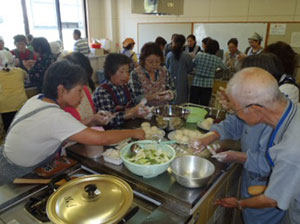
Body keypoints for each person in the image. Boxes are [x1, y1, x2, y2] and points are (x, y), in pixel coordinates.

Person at [0, 60, 145, 185]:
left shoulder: (39, 99)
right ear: (61, 90)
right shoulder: (54, 116)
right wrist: (135, 132)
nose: (82, 96)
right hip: (16, 173)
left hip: (14, 161)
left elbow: (64, 130)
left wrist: (92, 119)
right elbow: (101, 138)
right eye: (79, 91)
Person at [192, 54, 292, 224]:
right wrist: (210, 136)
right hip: (250, 179)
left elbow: (273, 176)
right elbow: (234, 122)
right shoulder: (262, 106)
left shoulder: (283, 129)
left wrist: (237, 157)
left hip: (265, 189)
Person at [93, 53, 151, 128]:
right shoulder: (102, 92)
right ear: (110, 72)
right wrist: (132, 113)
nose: (126, 75)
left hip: (129, 125)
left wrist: (142, 107)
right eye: (121, 72)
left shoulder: (125, 86)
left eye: (127, 71)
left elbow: (133, 102)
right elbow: (107, 120)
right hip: (113, 132)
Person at [64, 52, 109, 127]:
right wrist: (93, 118)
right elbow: (71, 130)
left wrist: (98, 119)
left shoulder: (85, 89)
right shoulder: (64, 100)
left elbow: (92, 114)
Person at [129, 42, 176, 106]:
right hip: (144, 112)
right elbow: (135, 99)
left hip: (163, 111)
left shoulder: (164, 71)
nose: (154, 64)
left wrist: (171, 94)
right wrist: (153, 96)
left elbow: (173, 91)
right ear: (143, 60)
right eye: (150, 62)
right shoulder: (135, 74)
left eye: (157, 61)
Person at [190, 39, 226, 106]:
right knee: (204, 105)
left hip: (196, 82)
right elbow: (225, 68)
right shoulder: (217, 59)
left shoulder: (199, 55)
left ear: (206, 47)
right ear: (216, 49)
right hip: (208, 84)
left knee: (193, 104)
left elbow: (192, 64)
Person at [0, 50, 27, 132]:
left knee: (9, 128)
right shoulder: (20, 71)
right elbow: (25, 77)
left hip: (5, 105)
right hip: (21, 103)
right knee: (22, 126)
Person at [166, 34, 193, 104]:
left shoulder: (169, 55)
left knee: (171, 100)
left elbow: (166, 67)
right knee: (182, 103)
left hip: (170, 81)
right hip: (182, 82)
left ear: (173, 42)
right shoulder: (187, 56)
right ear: (184, 43)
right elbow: (190, 69)